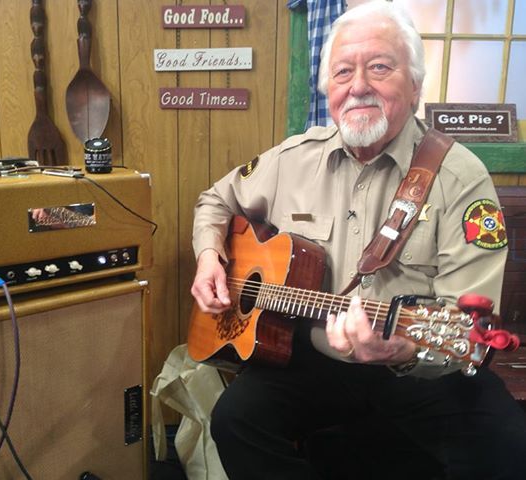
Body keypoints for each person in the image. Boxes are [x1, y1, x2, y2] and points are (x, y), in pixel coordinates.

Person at [189, 1, 526, 479]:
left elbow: (468, 332)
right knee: (235, 420)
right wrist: (208, 258)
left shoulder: (460, 177)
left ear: (414, 86)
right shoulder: (293, 160)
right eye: (343, 72)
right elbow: (214, 201)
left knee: (509, 449)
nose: (359, 85)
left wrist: (400, 351)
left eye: (380, 67)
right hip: (311, 357)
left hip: (419, 365)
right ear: (328, 90)